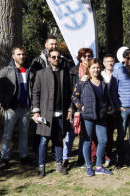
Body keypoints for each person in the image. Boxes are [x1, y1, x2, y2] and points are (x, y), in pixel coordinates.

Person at [32, 48, 73, 178]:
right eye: (53, 57)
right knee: (44, 140)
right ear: (49, 58)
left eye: (58, 57)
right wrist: (36, 111)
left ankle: (59, 165)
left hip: (61, 113)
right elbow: (35, 94)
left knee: (59, 140)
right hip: (45, 113)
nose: (56, 59)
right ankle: (41, 167)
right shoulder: (40, 73)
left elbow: (70, 94)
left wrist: (70, 109)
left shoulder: (65, 73)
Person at [29, 35, 70, 160]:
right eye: (51, 44)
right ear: (46, 45)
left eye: (56, 44)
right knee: (42, 135)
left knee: (58, 134)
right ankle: (37, 155)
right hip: (44, 105)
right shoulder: (37, 61)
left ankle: (55, 155)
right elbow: (34, 86)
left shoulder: (64, 61)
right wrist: (36, 108)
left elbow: (67, 86)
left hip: (58, 105)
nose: (54, 46)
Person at [71, 58, 113, 176]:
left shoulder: (104, 82)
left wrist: (108, 106)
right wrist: (81, 106)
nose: (96, 69)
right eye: (93, 67)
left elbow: (108, 97)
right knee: (87, 141)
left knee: (103, 140)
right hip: (87, 117)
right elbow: (74, 96)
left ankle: (99, 166)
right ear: (89, 68)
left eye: (98, 67)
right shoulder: (82, 82)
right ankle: (89, 166)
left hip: (101, 117)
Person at [0, 47, 32, 170]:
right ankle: (5, 159)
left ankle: (24, 157)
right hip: (12, 109)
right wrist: (6, 106)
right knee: (7, 135)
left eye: (23, 54)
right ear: (13, 56)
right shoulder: (6, 71)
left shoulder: (29, 70)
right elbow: (0, 90)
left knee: (24, 134)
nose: (21, 56)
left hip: (25, 108)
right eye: (19, 54)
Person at [63, 48, 93, 167]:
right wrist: (70, 109)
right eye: (84, 56)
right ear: (80, 57)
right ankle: (65, 157)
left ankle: (81, 156)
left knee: (84, 132)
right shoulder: (73, 71)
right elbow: (70, 91)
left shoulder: (93, 70)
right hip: (75, 105)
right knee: (71, 132)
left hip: (87, 106)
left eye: (89, 56)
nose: (87, 58)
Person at [113, 50, 130, 168]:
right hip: (123, 108)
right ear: (124, 58)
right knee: (121, 135)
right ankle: (119, 160)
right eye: (128, 58)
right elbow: (112, 90)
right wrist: (117, 106)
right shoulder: (118, 71)